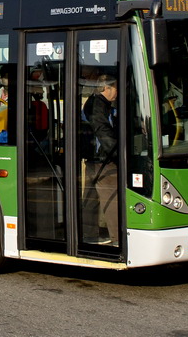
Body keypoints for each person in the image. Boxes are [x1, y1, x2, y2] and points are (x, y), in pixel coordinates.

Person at [81, 74, 119, 246]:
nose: (117, 92)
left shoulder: (96, 103)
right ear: (106, 88)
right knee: (112, 198)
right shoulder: (99, 106)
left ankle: (88, 235)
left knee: (91, 198)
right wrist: (118, 153)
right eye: (115, 88)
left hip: (93, 158)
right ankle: (117, 239)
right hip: (102, 160)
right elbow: (103, 130)